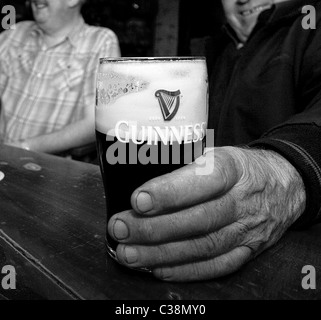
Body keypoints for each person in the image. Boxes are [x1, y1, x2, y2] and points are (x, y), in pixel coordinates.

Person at [107, 0, 321, 282]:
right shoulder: (211, 48)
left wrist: (286, 170)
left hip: (285, 262)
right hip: (189, 250)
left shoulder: (312, 27)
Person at [0, 0, 120, 154]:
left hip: (53, 170)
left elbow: (97, 122)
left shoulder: (100, 41)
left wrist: (23, 148)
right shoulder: (13, 33)